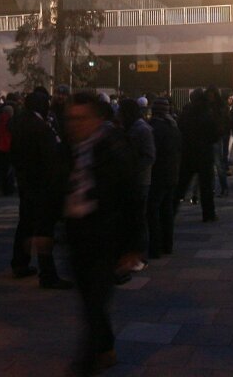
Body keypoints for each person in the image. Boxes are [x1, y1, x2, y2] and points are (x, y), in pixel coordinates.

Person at [62, 92, 138, 376]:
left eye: (81, 119)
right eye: (71, 118)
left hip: (105, 236)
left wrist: (132, 246)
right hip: (77, 233)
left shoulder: (114, 148)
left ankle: (85, 364)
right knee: (88, 298)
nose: (74, 124)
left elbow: (131, 199)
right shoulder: (71, 148)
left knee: (94, 302)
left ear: (97, 119)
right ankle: (106, 348)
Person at [9, 88, 73, 289]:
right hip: (42, 186)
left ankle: (20, 263)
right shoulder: (40, 127)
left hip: (27, 183)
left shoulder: (20, 123)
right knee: (44, 229)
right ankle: (47, 273)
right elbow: (50, 159)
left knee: (26, 224)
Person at [118, 97, 155, 273]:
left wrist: (132, 169)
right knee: (133, 219)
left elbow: (149, 156)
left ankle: (141, 256)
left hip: (140, 181)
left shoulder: (141, 129)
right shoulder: (132, 127)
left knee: (139, 220)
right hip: (132, 180)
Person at [175, 87, 218, 223]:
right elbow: (214, 134)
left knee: (181, 186)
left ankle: (171, 211)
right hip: (205, 153)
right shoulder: (207, 112)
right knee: (206, 187)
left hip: (188, 153)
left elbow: (179, 129)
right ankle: (209, 214)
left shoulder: (186, 112)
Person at [146, 96, 181, 259]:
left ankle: (155, 246)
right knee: (167, 210)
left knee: (153, 210)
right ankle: (168, 244)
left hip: (157, 174)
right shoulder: (173, 127)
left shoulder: (153, 128)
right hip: (171, 173)